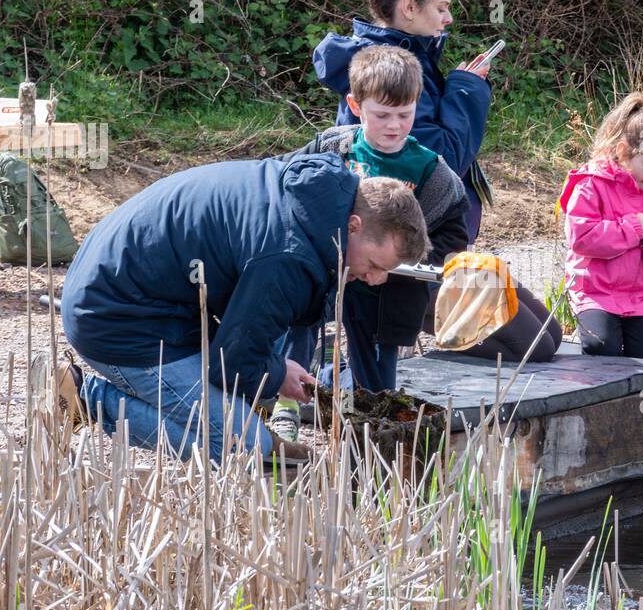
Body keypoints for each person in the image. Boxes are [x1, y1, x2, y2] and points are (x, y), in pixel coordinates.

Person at [48, 155, 430, 464]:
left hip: (135, 285)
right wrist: (277, 370)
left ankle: (244, 413)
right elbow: (231, 363)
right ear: (355, 224)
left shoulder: (316, 191)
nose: (376, 279)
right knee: (243, 450)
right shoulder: (288, 257)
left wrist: (270, 369)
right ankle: (89, 398)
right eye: (376, 265)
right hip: (115, 317)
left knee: (252, 385)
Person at [275, 45, 469, 400]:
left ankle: (342, 391)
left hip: (384, 293)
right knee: (295, 337)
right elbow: (277, 186)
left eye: (404, 114)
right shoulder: (333, 148)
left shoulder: (431, 171)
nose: (393, 125)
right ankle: (288, 407)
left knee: (378, 390)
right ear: (355, 107)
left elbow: (452, 242)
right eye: (381, 115)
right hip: (322, 276)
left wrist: (396, 267)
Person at [312, 0, 493, 243]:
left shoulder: (385, 58)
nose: (449, 18)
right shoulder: (397, 71)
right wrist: (466, 91)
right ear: (409, 7)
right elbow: (443, 158)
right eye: (441, 8)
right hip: (401, 240)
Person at [559, 94, 643, 359]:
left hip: (640, 298)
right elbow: (582, 238)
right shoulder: (590, 185)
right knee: (602, 347)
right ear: (622, 151)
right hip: (596, 293)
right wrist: (632, 229)